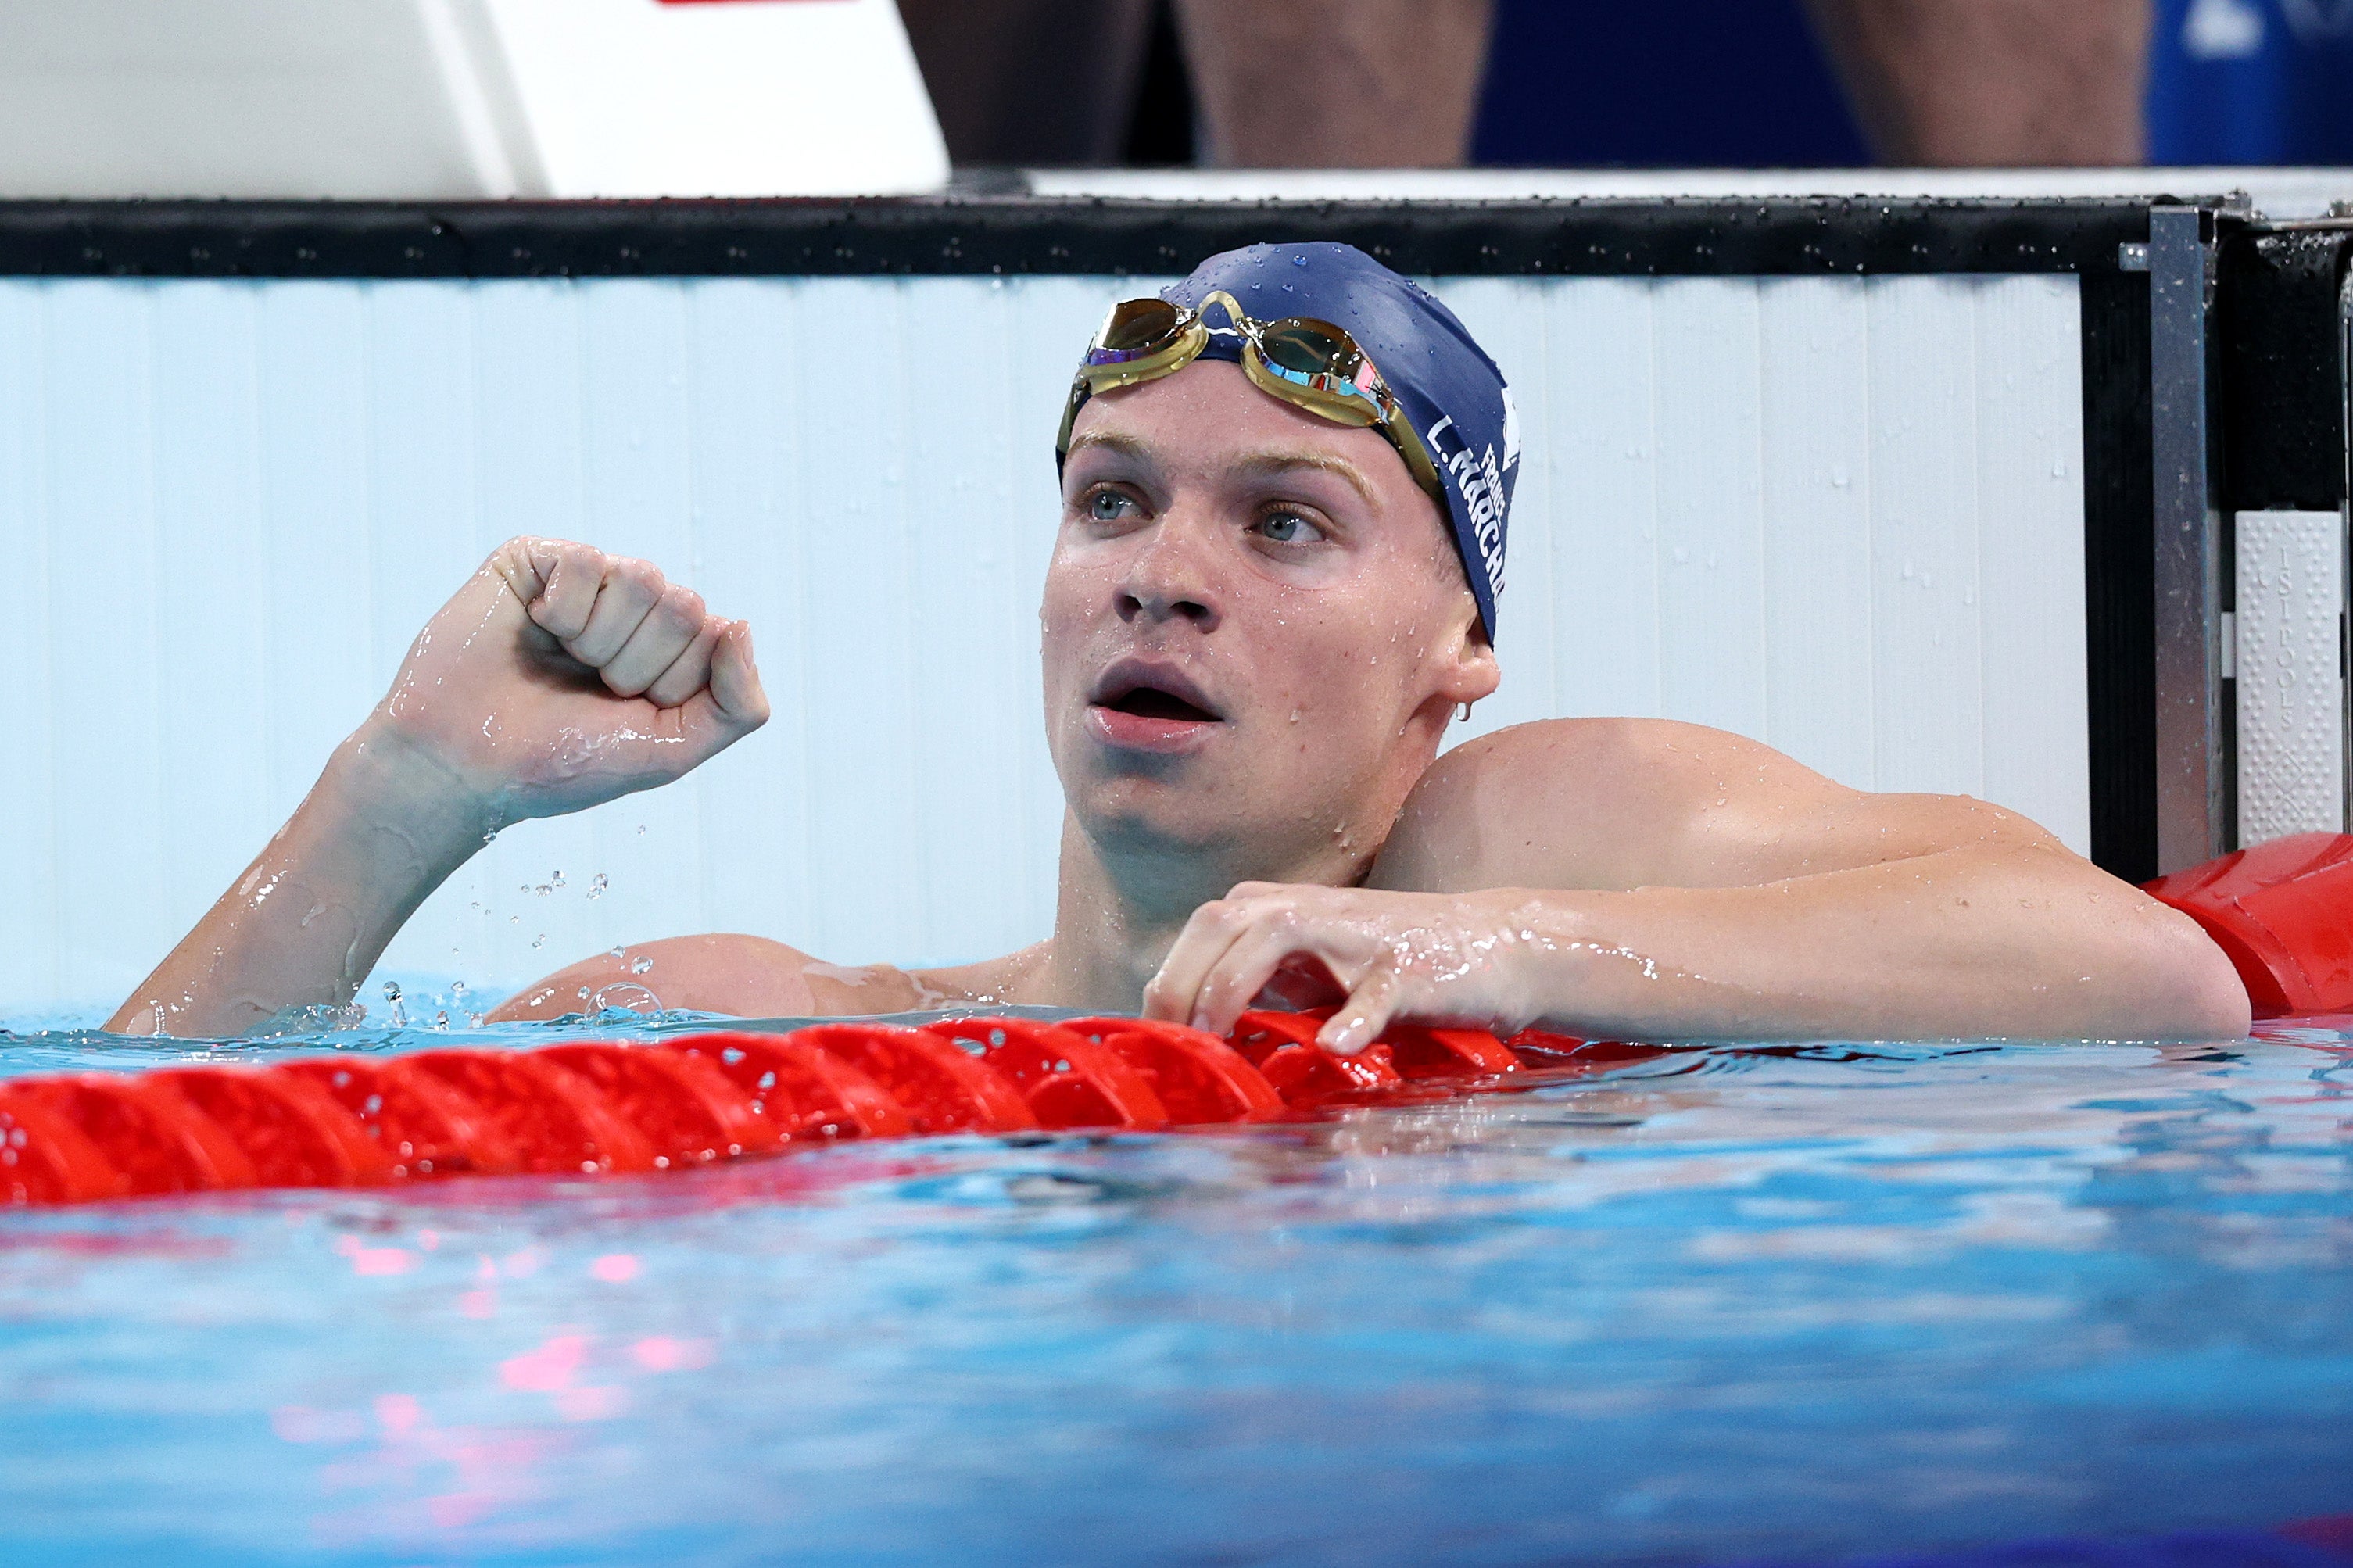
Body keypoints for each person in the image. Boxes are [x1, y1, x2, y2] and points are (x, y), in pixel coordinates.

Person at [110, 242, 2251, 1050]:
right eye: (1112, 498)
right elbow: (138, 1185)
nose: (1157, 570)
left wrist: (1525, 945)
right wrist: (407, 789)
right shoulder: (763, 1015)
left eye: (1286, 521)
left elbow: (2137, 967)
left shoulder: (1528, 830)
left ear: (1453, 656)